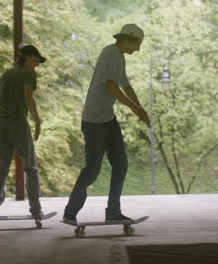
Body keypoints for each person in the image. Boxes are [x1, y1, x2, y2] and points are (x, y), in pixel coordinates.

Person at [63, 24, 150, 225]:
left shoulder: (119, 56)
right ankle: (70, 212)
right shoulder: (111, 52)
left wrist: (140, 107)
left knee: (120, 165)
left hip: (108, 119)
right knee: (92, 169)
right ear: (128, 39)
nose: (138, 49)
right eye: (138, 44)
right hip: (94, 121)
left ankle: (113, 212)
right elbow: (109, 84)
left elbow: (125, 85)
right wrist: (133, 108)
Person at [0, 45, 46, 220]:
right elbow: (28, 97)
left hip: (0, 122)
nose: (37, 65)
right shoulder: (28, 73)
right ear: (27, 57)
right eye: (35, 60)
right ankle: (36, 209)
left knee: (1, 168)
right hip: (17, 122)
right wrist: (37, 121)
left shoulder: (7, 74)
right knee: (30, 168)